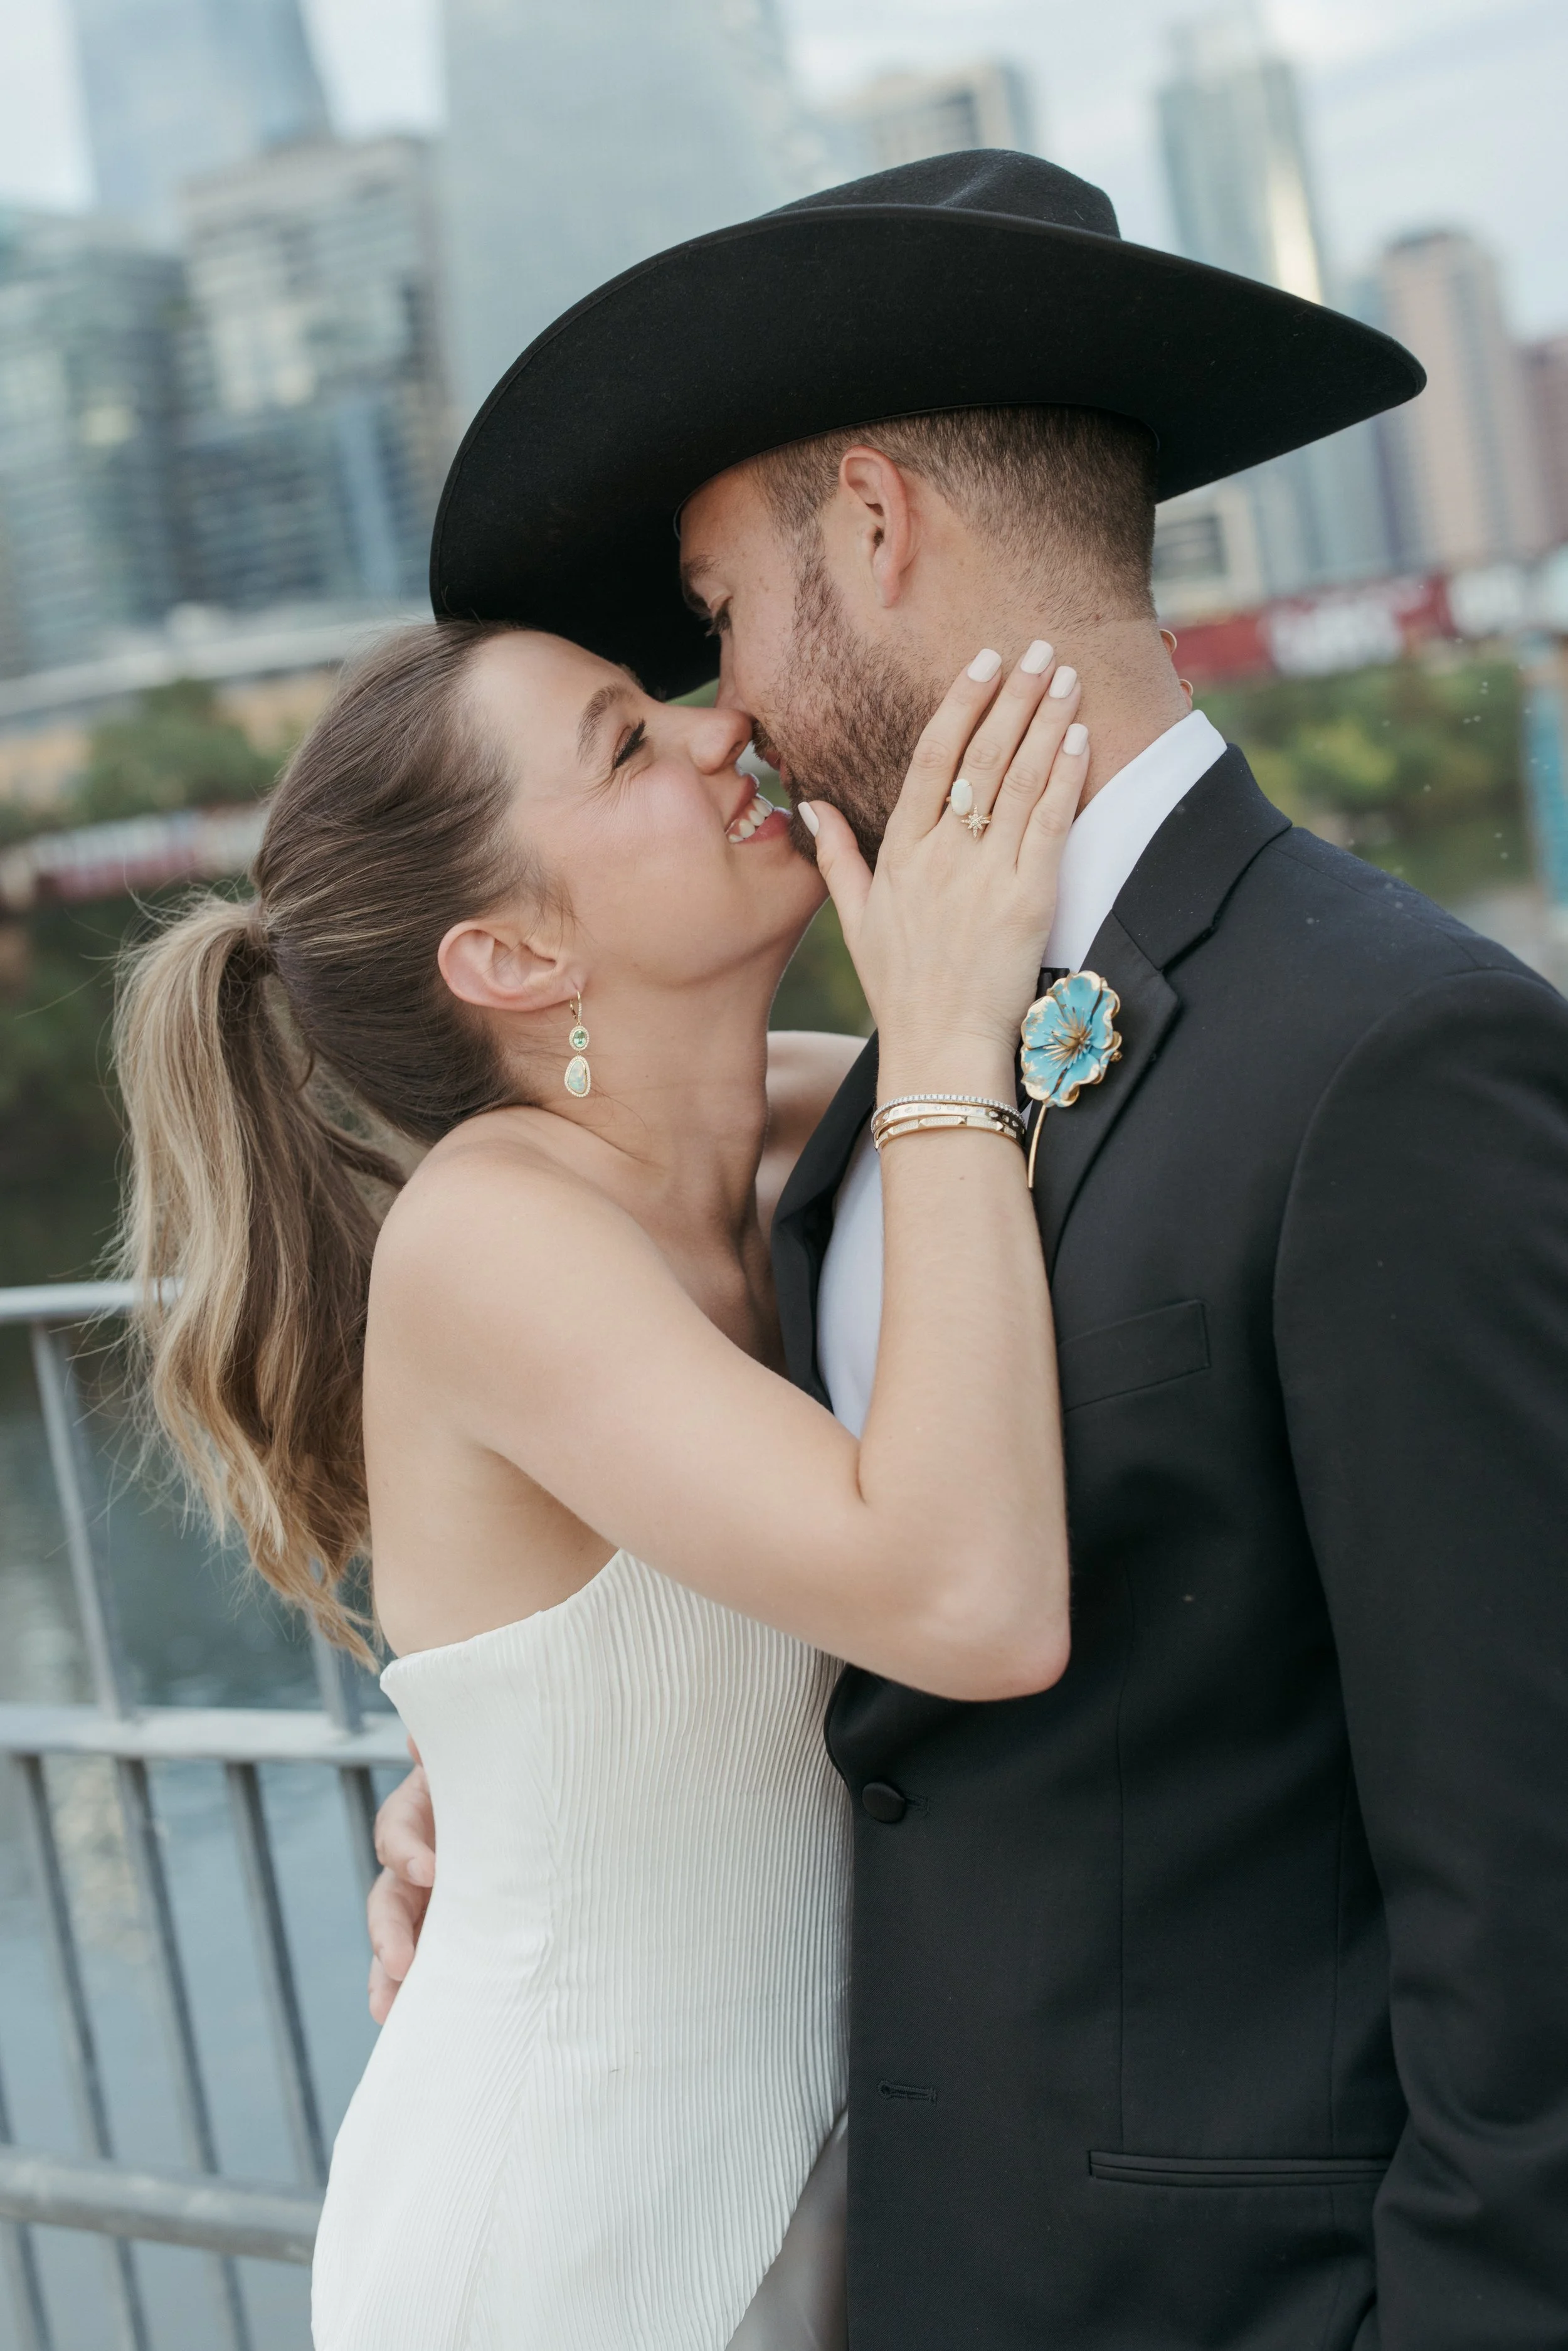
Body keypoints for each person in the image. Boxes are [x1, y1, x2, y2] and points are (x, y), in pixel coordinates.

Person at [374, 152, 1568, 2347]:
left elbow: (1533, 1893)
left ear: (872, 524)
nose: (728, 703)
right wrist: (540, 1794)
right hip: (890, 2261)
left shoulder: (1390, 1053)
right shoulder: (869, 1096)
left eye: (717, 611)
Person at [114, 607, 1094, 2347]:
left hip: (831, 2200)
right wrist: (946, 1036)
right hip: (569, 2245)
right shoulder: (490, 1235)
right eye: (628, 742)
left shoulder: (821, 1124)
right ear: (512, 956)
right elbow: (972, 1602)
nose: (723, 731)